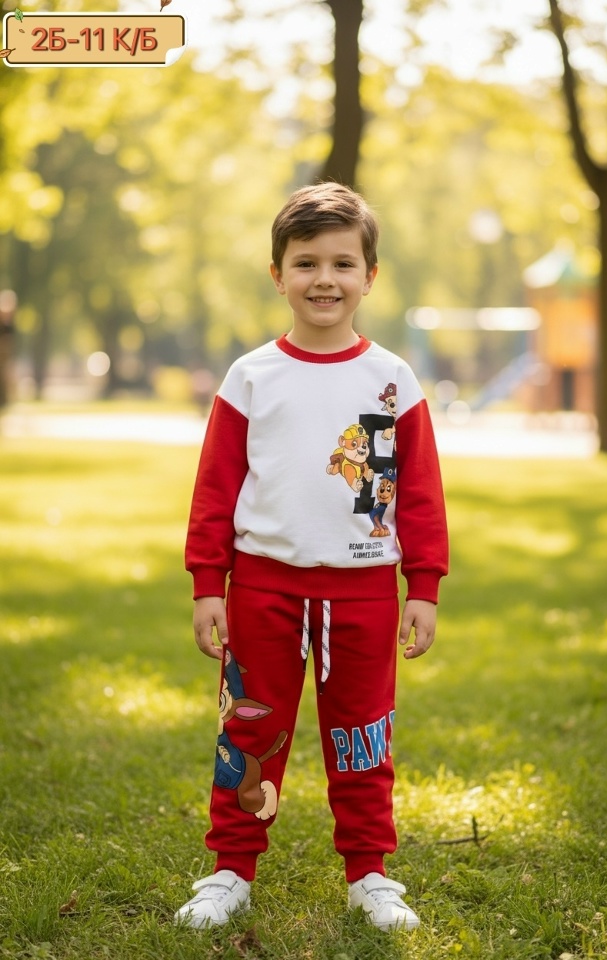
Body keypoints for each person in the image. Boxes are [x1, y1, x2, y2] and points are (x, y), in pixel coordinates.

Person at [175, 182, 448, 932]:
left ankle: (370, 873)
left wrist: (423, 584)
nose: (324, 279)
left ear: (370, 276)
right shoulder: (251, 376)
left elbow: (418, 491)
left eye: (341, 264)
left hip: (365, 593)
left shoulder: (391, 380)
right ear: (278, 275)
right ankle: (231, 868)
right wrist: (208, 583)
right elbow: (215, 487)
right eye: (305, 263)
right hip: (262, 590)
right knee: (248, 731)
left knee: (363, 736)